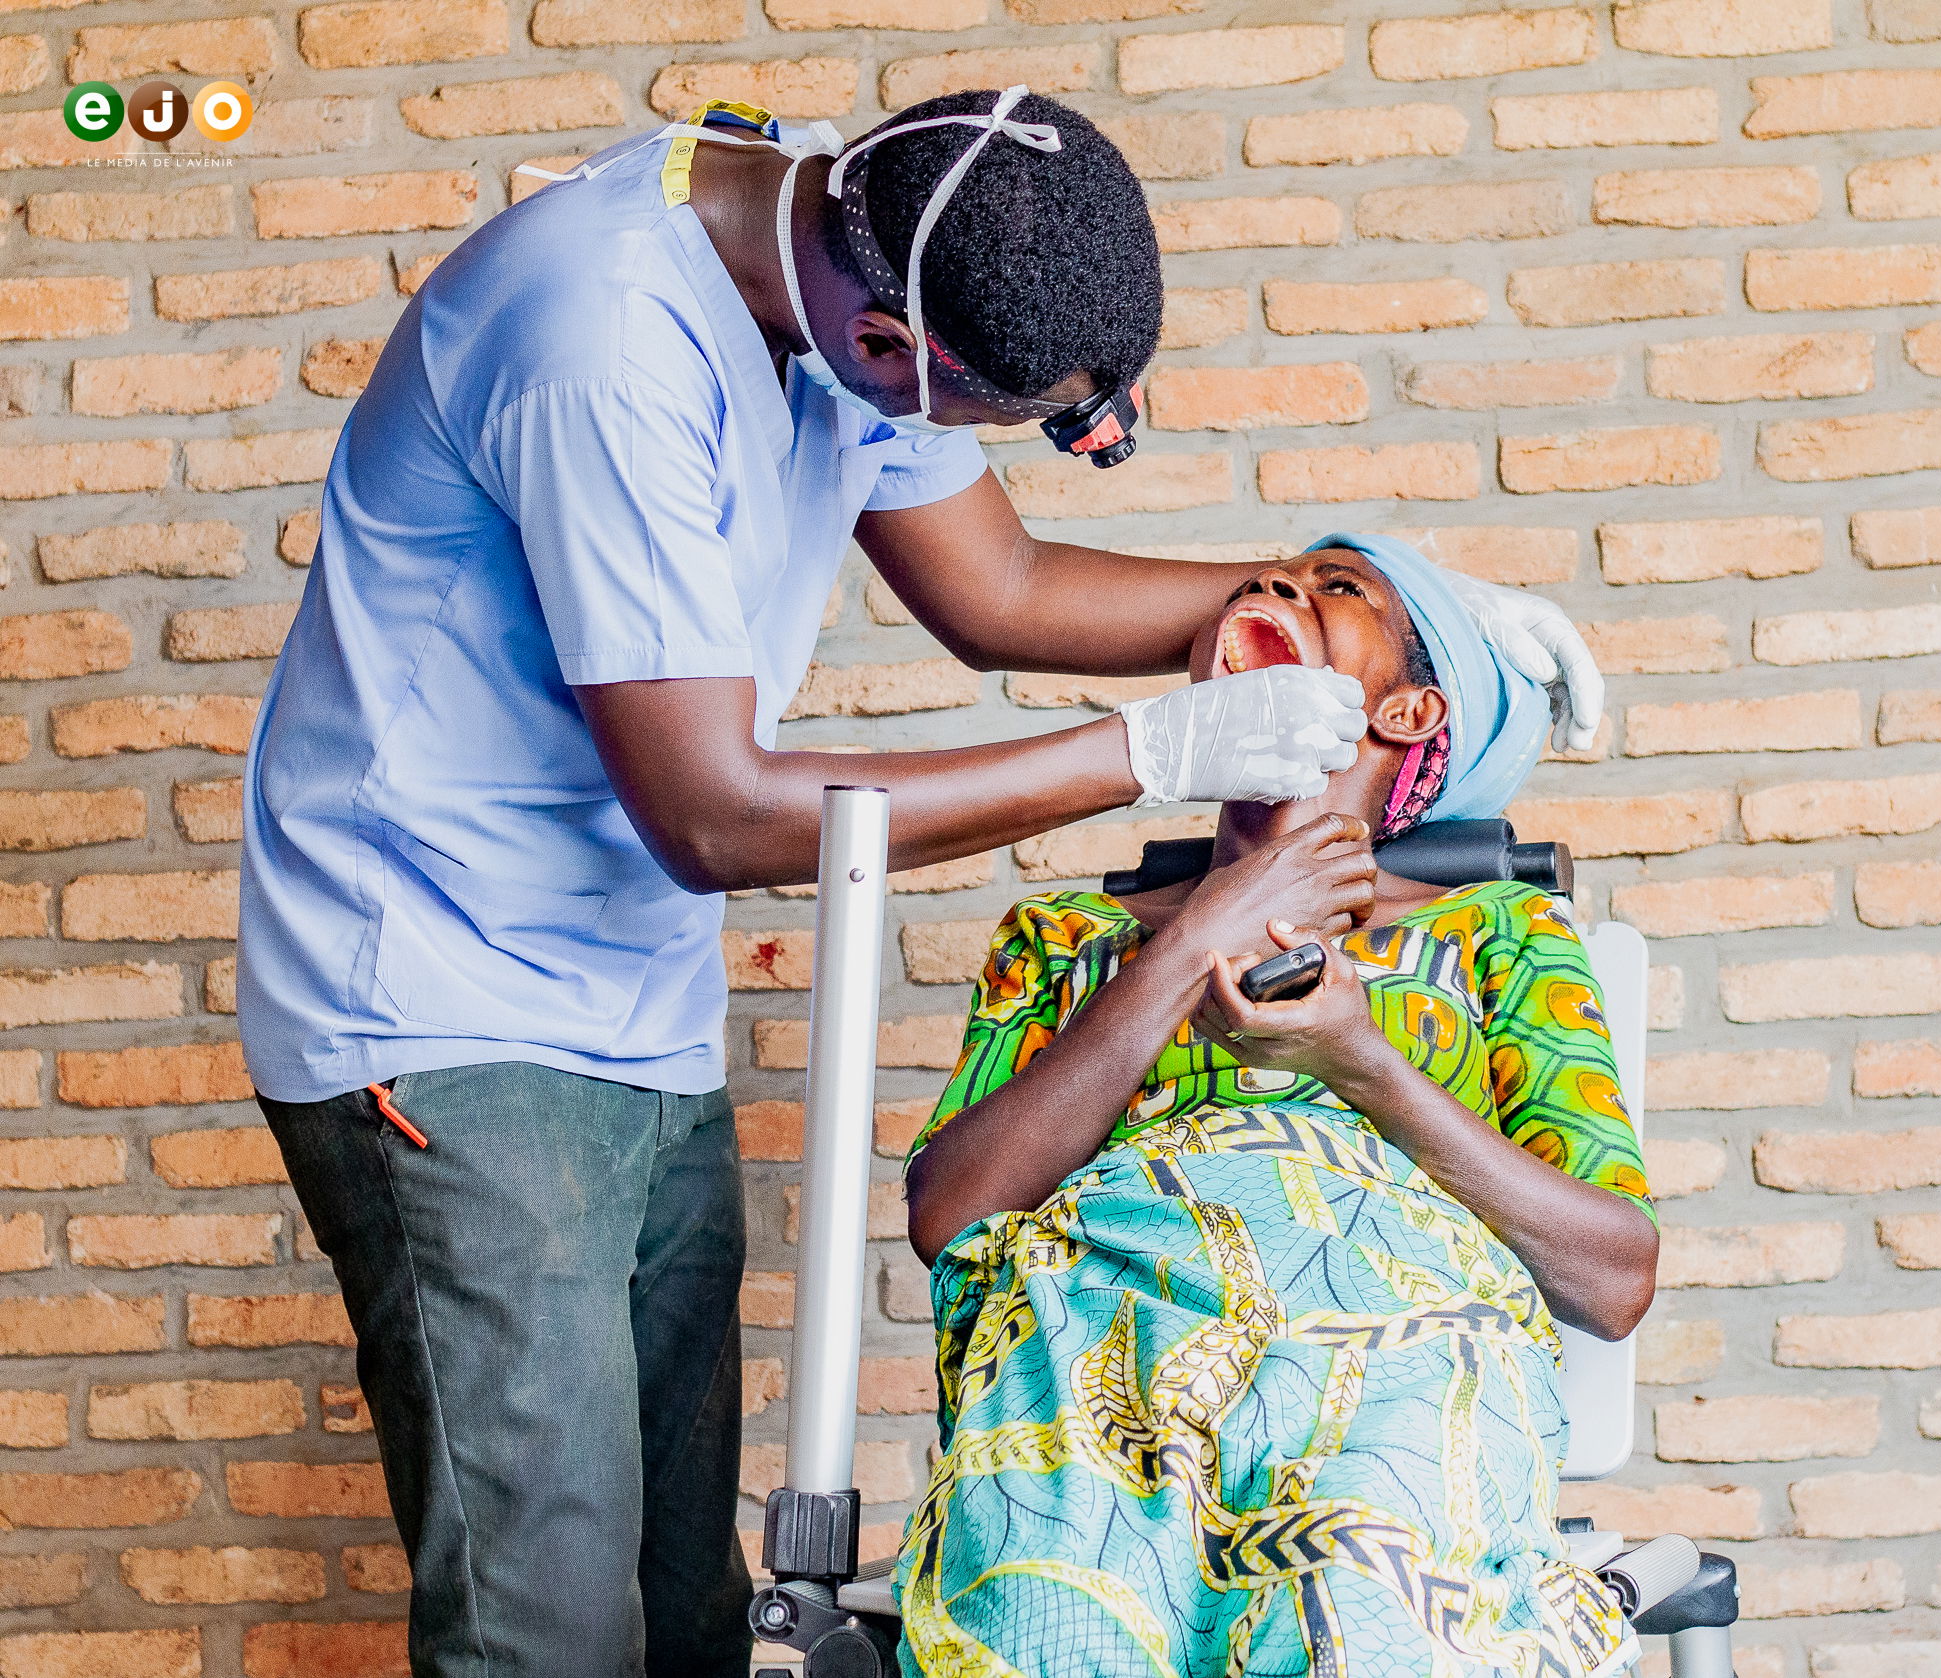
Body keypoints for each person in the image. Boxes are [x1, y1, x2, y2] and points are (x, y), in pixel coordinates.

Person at [239, 81, 1602, 1677]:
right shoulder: (601, 343)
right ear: (892, 353)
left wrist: (1434, 608)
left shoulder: (857, 239)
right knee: (545, 1622)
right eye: (997, 421)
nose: (1286, 605)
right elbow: (720, 819)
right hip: (447, 991)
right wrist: (1158, 757)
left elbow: (1003, 581)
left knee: (680, 1606)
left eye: (1337, 603)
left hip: (633, 998)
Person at [901, 533, 1657, 1678]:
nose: (1264, 588)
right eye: (1257, 580)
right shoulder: (1066, 943)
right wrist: (1193, 939)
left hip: (1395, 1378)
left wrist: (1364, 1062)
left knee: (1363, 1586)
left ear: (1406, 715)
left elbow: (1612, 1277)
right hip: (1099, 1362)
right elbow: (948, 1214)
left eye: (1333, 589)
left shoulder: (1499, 938)